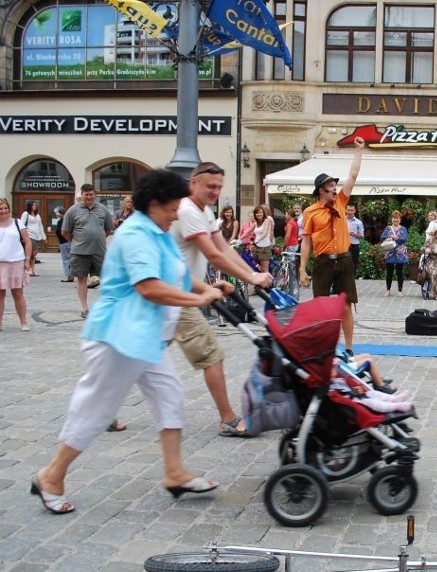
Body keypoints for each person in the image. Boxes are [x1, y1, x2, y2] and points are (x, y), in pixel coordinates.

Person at [31, 170, 225, 515]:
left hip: (145, 339)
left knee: (170, 395)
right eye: (172, 207)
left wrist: (209, 287)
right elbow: (148, 286)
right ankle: (51, 475)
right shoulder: (136, 233)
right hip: (118, 338)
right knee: (96, 410)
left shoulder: (159, 231)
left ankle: (174, 472)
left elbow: (177, 273)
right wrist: (199, 300)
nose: (176, 214)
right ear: (154, 204)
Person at [171, 162, 273, 438]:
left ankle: (104, 407)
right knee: (211, 355)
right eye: (210, 186)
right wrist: (251, 279)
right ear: (193, 182)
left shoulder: (203, 210)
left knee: (139, 357)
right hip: (175, 296)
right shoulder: (187, 211)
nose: (215, 191)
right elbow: (214, 256)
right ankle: (228, 419)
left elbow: (224, 247)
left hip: (181, 291)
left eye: (219, 187)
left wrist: (252, 273)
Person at [300, 136, 365, 357]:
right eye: (330, 186)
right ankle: (324, 346)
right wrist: (302, 268)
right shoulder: (310, 212)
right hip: (322, 262)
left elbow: (353, 175)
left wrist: (359, 150)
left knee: (345, 306)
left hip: (344, 259)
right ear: (321, 190)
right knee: (321, 308)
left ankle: (348, 348)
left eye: (335, 185)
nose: (335, 189)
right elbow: (306, 240)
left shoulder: (340, 202)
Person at [62, 184, 114, 319]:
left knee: (105, 278)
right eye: (86, 194)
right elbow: (65, 231)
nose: (89, 197)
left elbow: (108, 230)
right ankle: (84, 308)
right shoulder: (73, 211)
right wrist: (77, 240)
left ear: (94, 195)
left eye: (91, 194)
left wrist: (98, 238)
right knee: (82, 279)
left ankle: (103, 306)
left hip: (99, 251)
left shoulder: (103, 210)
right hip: (80, 251)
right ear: (82, 195)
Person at [0, 197, 32, 331]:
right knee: (0, 294)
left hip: (16, 261)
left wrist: (28, 260)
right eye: (0, 209)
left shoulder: (17, 223)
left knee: (18, 293)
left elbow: (28, 242)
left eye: (5, 208)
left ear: (9, 209)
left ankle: (23, 322)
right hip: (0, 263)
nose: (3, 211)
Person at [381, 210, 408, 297]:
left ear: (400, 219)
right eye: (393, 218)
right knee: (389, 272)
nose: (395, 220)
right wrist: (388, 238)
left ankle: (400, 290)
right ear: (391, 219)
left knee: (399, 272)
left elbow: (404, 239)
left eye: (397, 218)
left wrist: (396, 238)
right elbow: (382, 237)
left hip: (400, 253)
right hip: (390, 253)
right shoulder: (388, 228)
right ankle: (388, 290)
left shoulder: (403, 228)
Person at [21, 201, 45, 276]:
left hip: (36, 236)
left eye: (35, 205)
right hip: (29, 235)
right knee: (32, 252)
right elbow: (21, 224)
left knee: (34, 253)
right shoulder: (26, 214)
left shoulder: (38, 215)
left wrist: (44, 237)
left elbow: (40, 226)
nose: (35, 206)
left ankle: (32, 268)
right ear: (29, 206)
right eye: (33, 205)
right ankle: (29, 269)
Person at [249, 205, 274, 274]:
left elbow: (266, 233)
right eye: (257, 213)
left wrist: (256, 241)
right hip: (257, 246)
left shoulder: (267, 220)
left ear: (264, 213)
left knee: (264, 269)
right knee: (257, 266)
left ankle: (268, 284)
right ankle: (261, 282)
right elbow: (248, 231)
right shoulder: (256, 222)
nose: (259, 214)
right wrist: (239, 239)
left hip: (264, 247)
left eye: (261, 212)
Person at [55, 206, 73, 283]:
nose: (55, 214)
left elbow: (60, 232)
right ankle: (71, 275)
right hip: (69, 241)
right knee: (71, 258)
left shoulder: (61, 221)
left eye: (56, 213)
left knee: (66, 259)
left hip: (64, 242)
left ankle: (69, 276)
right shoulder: (67, 220)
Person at [346, 204, 365, 272]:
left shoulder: (359, 222)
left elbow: (362, 236)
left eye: (352, 210)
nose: (350, 212)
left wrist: (354, 234)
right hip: (344, 244)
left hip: (354, 244)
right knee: (343, 262)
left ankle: (352, 279)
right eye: (348, 210)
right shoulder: (342, 221)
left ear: (355, 211)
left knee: (354, 262)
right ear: (346, 210)